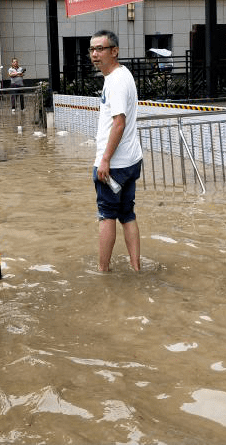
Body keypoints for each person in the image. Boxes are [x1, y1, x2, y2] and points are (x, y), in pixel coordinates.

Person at [89, 30, 143, 272]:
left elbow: (118, 122)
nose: (94, 54)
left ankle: (103, 271)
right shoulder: (120, 76)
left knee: (107, 215)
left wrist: (105, 159)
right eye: (92, 49)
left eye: (100, 49)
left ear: (114, 51)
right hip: (130, 160)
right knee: (127, 214)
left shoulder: (117, 81)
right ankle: (135, 266)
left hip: (116, 165)